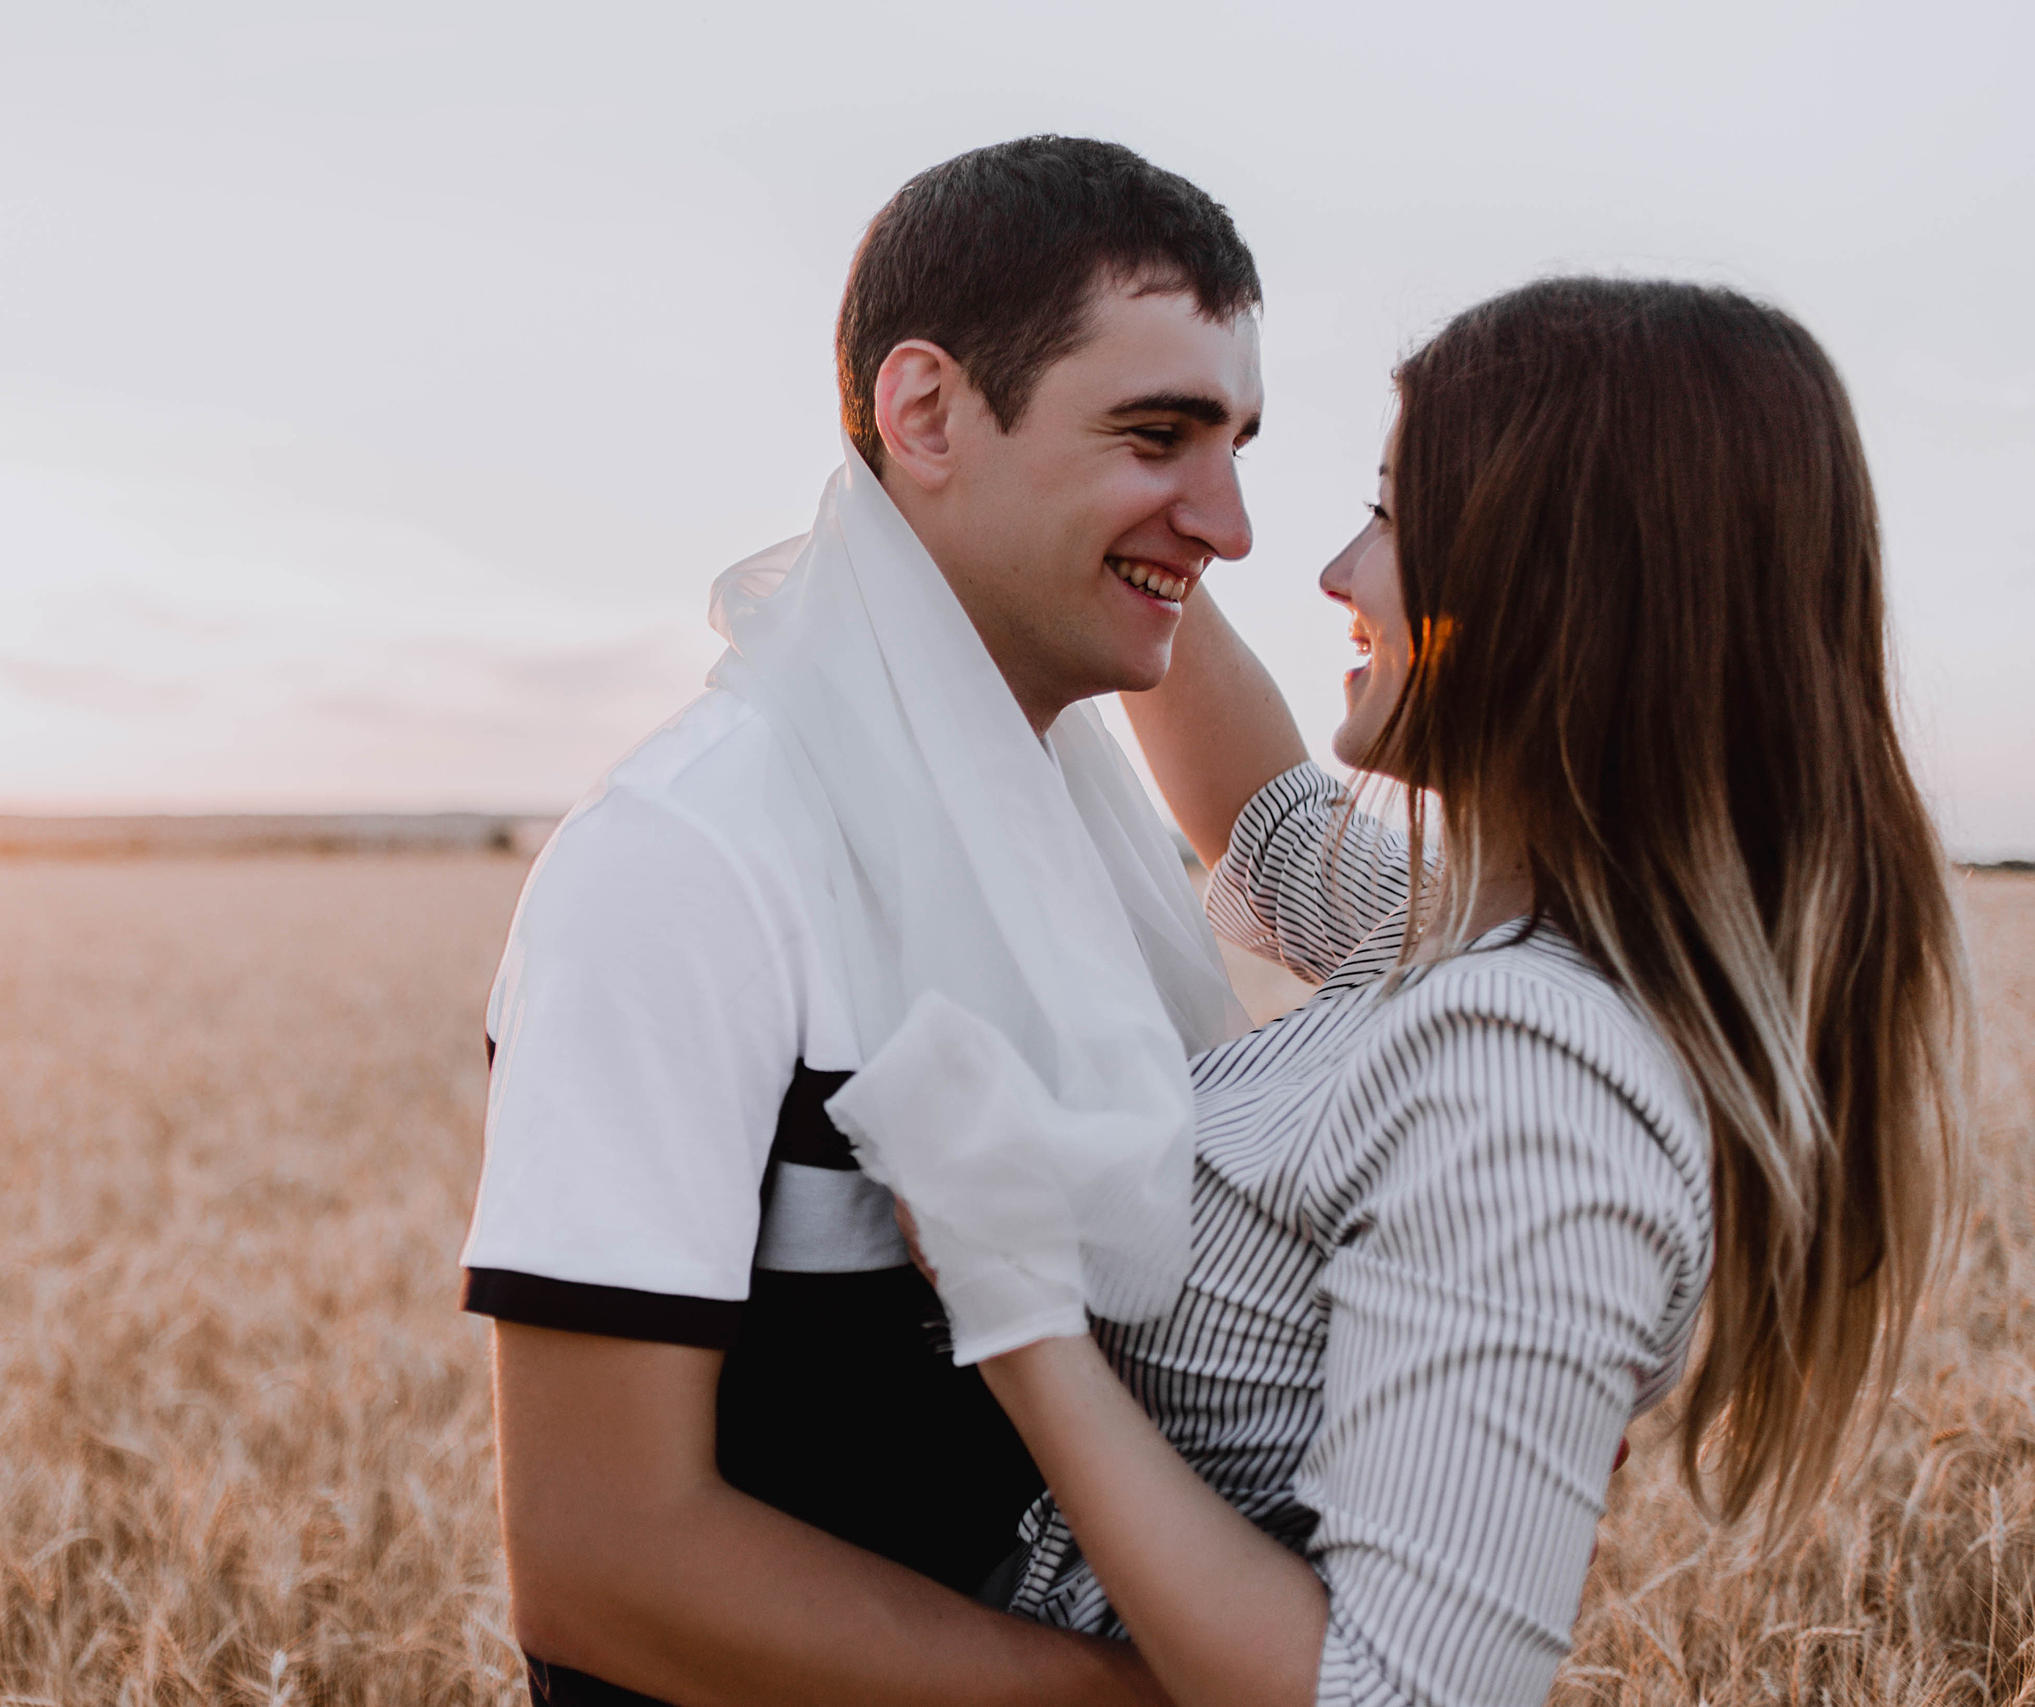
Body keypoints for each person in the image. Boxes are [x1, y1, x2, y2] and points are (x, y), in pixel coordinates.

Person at [841, 277, 1973, 1706]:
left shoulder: (1533, 1074)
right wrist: (1120, 547)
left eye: (1388, 514)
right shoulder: (1473, 943)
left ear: (1557, 586)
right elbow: (1257, 804)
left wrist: (1022, 1316)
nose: (1332, 571)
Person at [456, 135, 1263, 1704]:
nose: (1227, 524)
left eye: (1235, 441)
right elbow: (600, 1563)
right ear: (923, 414)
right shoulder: (691, 857)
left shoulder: (1083, 837)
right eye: (1159, 432)